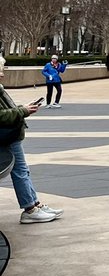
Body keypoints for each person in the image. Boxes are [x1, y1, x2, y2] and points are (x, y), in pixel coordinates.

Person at [0, 56, 63, 223]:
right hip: (8, 135)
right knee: (21, 171)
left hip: (9, 134)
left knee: (22, 171)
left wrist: (22, 109)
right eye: (2, 69)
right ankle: (30, 208)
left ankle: (34, 204)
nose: (3, 73)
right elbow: (1, 116)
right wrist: (23, 111)